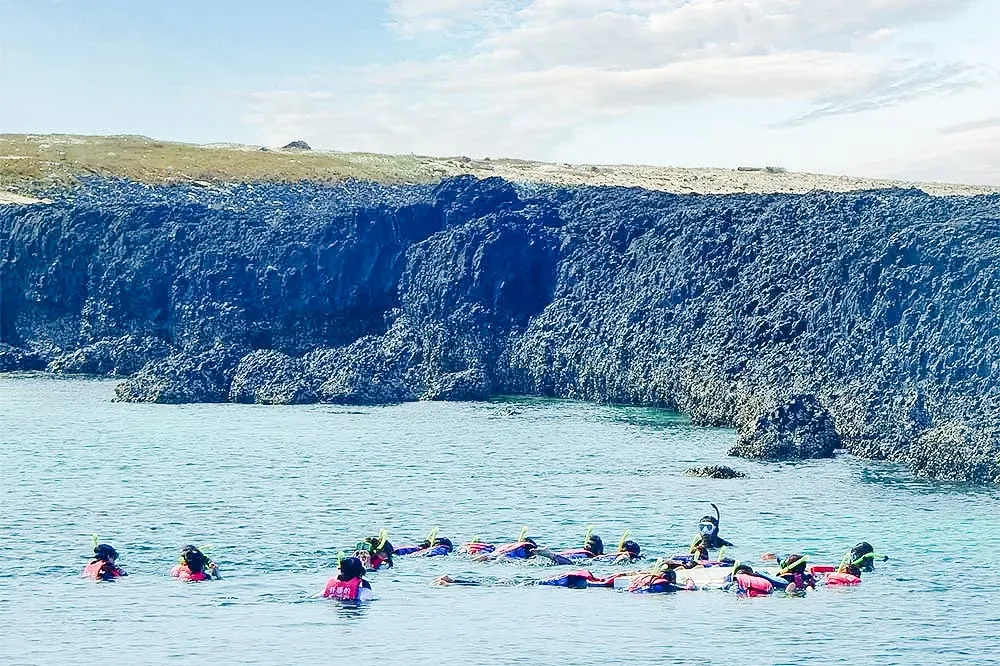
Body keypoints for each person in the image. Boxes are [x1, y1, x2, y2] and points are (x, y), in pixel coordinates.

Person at [536, 534, 605, 565]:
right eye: (587, 544)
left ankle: (549, 554)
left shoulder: (590, 557)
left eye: (591, 545)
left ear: (598, 551)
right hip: (563, 557)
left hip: (567, 560)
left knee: (570, 562)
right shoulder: (583, 554)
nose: (587, 546)